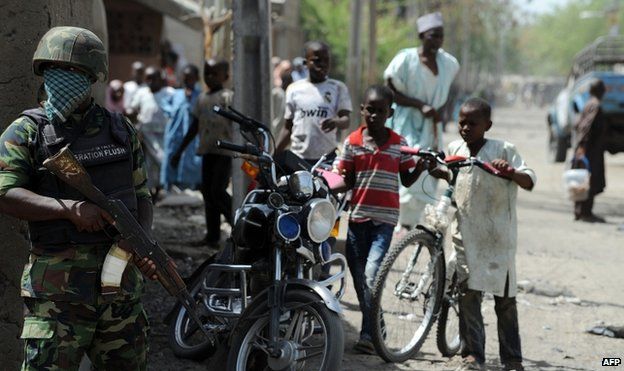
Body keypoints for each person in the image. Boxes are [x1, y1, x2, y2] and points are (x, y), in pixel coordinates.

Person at [0, 26, 158, 370]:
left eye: (77, 72)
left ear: (92, 77)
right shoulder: (25, 132)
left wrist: (138, 239)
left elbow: (142, 195)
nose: (66, 79)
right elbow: (5, 193)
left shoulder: (120, 130)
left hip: (119, 290)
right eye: (58, 71)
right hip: (58, 293)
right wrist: (68, 208)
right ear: (44, 74)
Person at [335, 85, 432, 354]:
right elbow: (346, 179)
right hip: (357, 218)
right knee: (358, 278)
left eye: (380, 111)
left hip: (385, 220)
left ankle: (368, 335)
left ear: (390, 113)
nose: (374, 115)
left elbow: (407, 177)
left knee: (371, 275)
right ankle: (377, 325)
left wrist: (421, 166)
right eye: (370, 110)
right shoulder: (352, 142)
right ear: (362, 109)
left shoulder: (399, 144)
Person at [442, 98, 535, 371]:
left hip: (497, 238)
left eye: (473, 123)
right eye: (462, 122)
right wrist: (432, 167)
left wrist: (512, 172)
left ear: (487, 125)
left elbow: (529, 179)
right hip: (466, 236)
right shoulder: (455, 148)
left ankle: (512, 358)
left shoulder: (504, 150)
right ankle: (473, 355)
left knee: (504, 300)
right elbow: (450, 177)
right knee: (468, 295)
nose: (465, 127)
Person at [384, 11, 460, 229]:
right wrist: (419, 105)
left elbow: (444, 94)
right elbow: (390, 91)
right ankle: (399, 220)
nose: (437, 40)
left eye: (440, 36)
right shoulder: (405, 59)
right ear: (421, 35)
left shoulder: (447, 63)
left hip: (431, 125)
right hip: (406, 121)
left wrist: (437, 113)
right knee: (409, 162)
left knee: (430, 165)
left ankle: (414, 222)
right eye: (433, 35)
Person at [171, 59, 233, 247]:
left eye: (215, 73)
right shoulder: (202, 98)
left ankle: (237, 225)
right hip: (208, 151)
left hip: (225, 152)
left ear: (225, 76)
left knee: (217, 191)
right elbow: (194, 126)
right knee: (207, 193)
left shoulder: (228, 97)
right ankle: (212, 236)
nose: (210, 77)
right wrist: (179, 151)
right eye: (207, 73)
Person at [276, 41, 352, 166]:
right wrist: (274, 154)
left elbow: (346, 120)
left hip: (327, 159)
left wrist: (336, 122)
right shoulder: (294, 89)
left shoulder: (337, 88)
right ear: (306, 63)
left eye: (326, 60)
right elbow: (288, 128)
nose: (322, 65)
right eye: (316, 60)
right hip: (298, 159)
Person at [127, 66, 175, 196]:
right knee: (148, 164)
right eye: (148, 79)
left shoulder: (169, 93)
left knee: (162, 160)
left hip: (164, 134)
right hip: (146, 135)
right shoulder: (142, 93)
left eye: (154, 79)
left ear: (160, 79)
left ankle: (162, 188)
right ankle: (150, 192)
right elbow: (132, 108)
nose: (151, 82)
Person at [160, 64, 202, 191]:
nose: (188, 81)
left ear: (197, 78)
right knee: (172, 161)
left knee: (193, 162)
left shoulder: (200, 95)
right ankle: (170, 190)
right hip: (175, 136)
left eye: (191, 78)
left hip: (193, 137)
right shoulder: (175, 94)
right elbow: (166, 107)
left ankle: (192, 189)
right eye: (186, 78)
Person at [573, 79, 607, 223]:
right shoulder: (595, 105)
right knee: (589, 179)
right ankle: (585, 212)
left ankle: (580, 211)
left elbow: (577, 124)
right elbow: (586, 127)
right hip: (590, 150)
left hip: (587, 148)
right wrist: (582, 146)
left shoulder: (588, 104)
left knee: (582, 178)